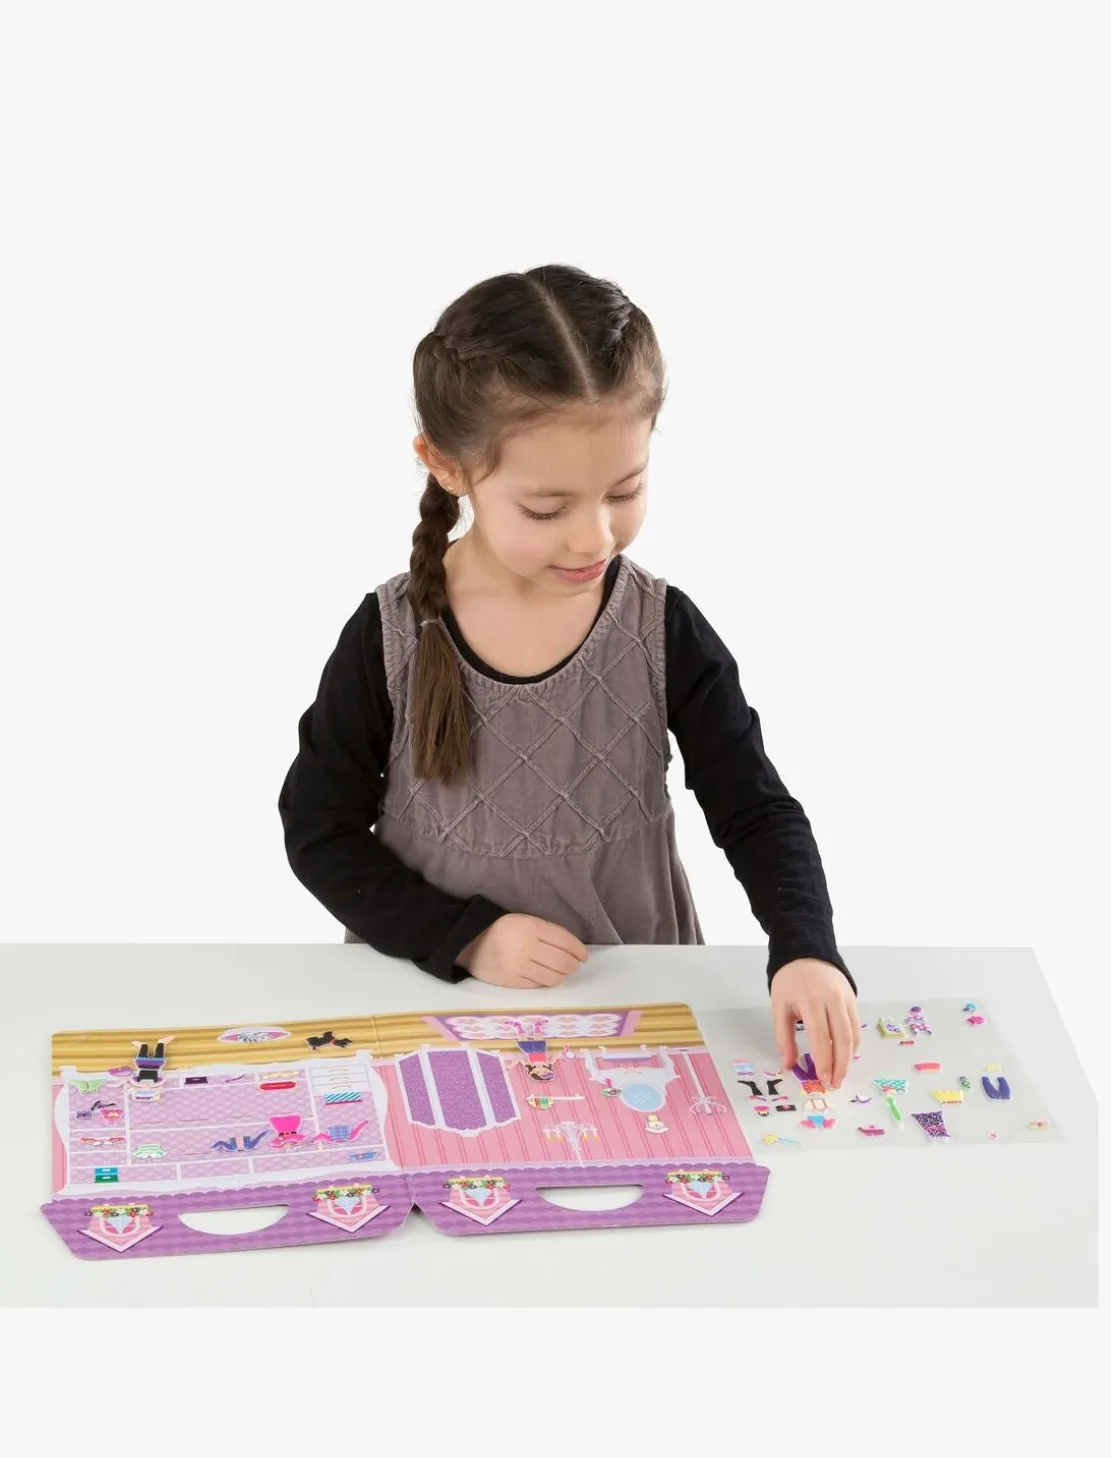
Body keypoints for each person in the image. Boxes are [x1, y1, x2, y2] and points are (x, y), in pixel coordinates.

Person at [278, 265, 860, 1087]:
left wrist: (805, 947)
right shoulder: (389, 635)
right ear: (446, 465)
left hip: (635, 1016)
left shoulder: (661, 628)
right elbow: (319, 831)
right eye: (547, 509)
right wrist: (467, 936)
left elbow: (756, 810)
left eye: (625, 490)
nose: (595, 538)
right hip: (432, 1008)